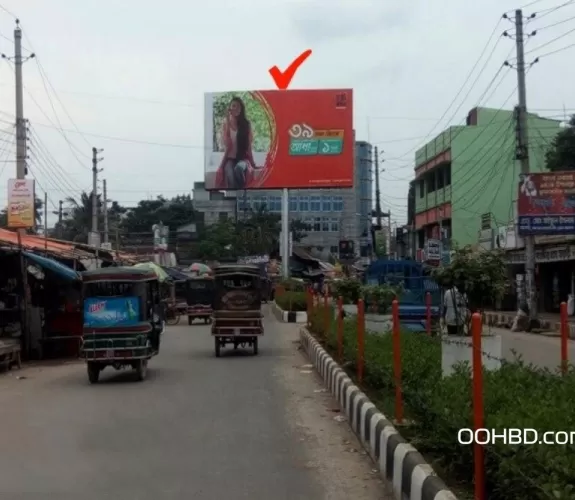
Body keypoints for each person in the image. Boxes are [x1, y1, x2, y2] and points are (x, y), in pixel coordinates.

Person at [215, 97, 258, 190]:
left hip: (243, 159)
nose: (236, 108)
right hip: (230, 159)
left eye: (238, 107)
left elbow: (249, 147)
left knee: (238, 169)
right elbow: (228, 146)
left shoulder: (246, 125)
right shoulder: (225, 124)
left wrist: (253, 163)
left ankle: (242, 193)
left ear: (241, 109)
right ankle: (235, 197)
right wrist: (227, 118)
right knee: (229, 172)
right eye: (233, 106)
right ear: (230, 108)